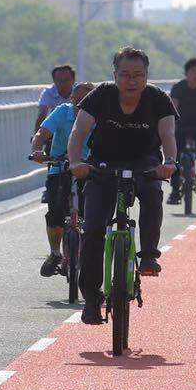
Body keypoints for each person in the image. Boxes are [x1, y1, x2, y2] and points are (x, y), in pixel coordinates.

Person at [67, 47, 177, 323]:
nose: (132, 80)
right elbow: (78, 132)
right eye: (125, 74)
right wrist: (75, 162)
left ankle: (149, 255)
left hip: (145, 161)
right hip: (103, 163)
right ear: (115, 75)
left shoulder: (158, 99)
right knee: (93, 229)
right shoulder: (100, 95)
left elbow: (168, 134)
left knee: (152, 193)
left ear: (146, 76)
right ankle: (91, 298)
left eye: (138, 74)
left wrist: (170, 162)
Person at [31, 82, 95, 276]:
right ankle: (55, 253)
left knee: (94, 213)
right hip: (60, 167)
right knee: (55, 211)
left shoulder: (101, 115)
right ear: (71, 99)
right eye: (78, 101)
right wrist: (37, 149)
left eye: (88, 101)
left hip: (91, 169)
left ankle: (91, 253)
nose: (82, 106)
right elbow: (42, 134)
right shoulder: (62, 112)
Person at [167, 57, 196, 202]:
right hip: (180, 124)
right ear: (186, 73)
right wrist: (170, 126)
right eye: (193, 71)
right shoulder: (178, 87)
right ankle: (175, 190)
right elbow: (173, 108)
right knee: (175, 156)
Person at [34, 64, 77, 131]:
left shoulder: (80, 91)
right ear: (54, 81)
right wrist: (37, 134)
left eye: (66, 80)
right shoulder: (48, 92)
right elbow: (42, 114)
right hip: (56, 127)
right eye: (59, 80)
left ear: (73, 80)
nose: (63, 83)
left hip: (76, 126)